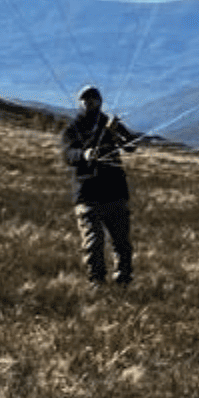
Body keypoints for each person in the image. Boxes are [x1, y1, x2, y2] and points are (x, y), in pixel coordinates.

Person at [61, 84, 140, 286]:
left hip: (114, 192)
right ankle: (97, 284)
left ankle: (124, 281)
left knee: (122, 242)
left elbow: (131, 146)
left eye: (92, 99)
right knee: (93, 243)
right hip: (88, 194)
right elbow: (68, 155)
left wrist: (117, 133)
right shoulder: (72, 128)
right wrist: (84, 155)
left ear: (100, 101)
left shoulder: (110, 124)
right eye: (85, 100)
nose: (89, 103)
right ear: (79, 103)